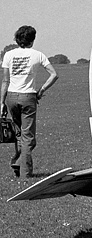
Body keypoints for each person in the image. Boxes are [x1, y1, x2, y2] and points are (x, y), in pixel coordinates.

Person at [1, 25, 59, 177]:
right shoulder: (38, 55)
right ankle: (24, 172)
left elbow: (5, 81)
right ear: (32, 40)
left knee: (19, 134)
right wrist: (41, 91)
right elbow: (54, 75)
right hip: (28, 97)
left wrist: (2, 102)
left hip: (11, 97)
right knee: (29, 138)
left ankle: (18, 163)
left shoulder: (8, 55)